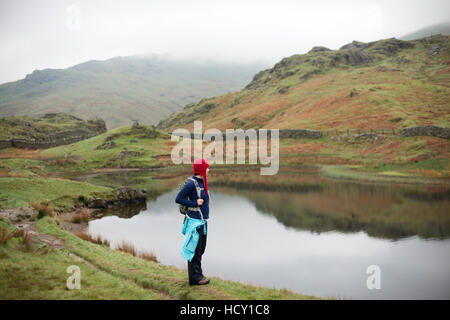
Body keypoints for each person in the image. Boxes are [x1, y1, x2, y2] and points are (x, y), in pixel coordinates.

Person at [175, 158, 211, 285]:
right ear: (201, 170)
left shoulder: (202, 182)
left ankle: (198, 274)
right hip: (194, 223)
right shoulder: (191, 183)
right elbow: (178, 198)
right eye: (207, 167)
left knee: (200, 250)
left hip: (202, 222)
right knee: (194, 251)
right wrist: (194, 203)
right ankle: (195, 278)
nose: (208, 169)